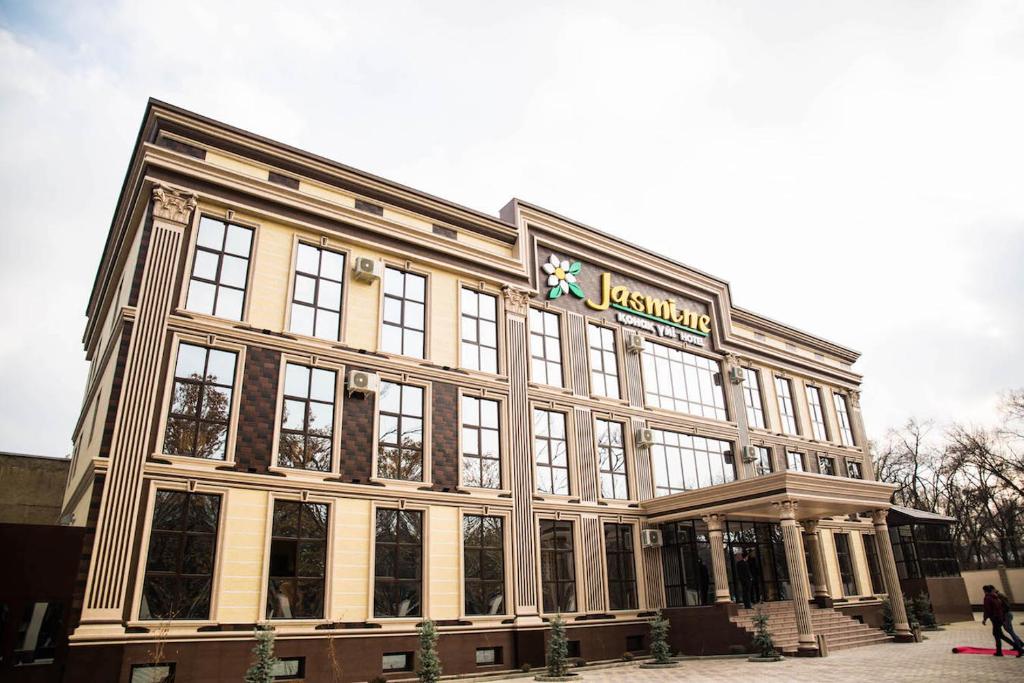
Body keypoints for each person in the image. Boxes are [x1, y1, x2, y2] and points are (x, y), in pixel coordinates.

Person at [982, 584, 1021, 657]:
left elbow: (987, 610)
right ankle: (999, 651)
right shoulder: (996, 597)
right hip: (999, 618)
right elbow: (999, 608)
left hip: (995, 619)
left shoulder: (987, 598)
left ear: (985, 591)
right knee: (999, 635)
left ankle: (1019, 649)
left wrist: (984, 619)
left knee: (999, 634)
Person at [994, 587, 1024, 655]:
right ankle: (1019, 644)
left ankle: (1019, 646)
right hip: (1008, 615)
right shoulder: (1002, 597)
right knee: (1009, 630)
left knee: (1011, 632)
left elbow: (1004, 609)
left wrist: (1003, 618)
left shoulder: (1000, 598)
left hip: (1006, 615)